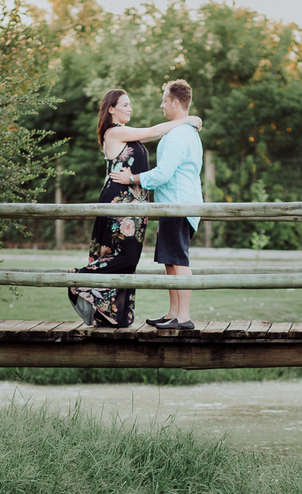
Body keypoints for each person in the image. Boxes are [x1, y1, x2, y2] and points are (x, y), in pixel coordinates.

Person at [69, 89, 201, 327]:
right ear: (111, 109)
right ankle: (80, 278)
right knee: (126, 257)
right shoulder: (115, 131)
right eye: (125, 105)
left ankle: (112, 315)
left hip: (134, 206)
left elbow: (151, 135)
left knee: (127, 257)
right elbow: (153, 132)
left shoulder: (126, 132)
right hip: (120, 202)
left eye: (130, 104)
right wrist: (187, 119)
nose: (130, 109)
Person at [110, 79, 203, 330]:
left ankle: (183, 318)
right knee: (170, 261)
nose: (161, 104)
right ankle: (173, 313)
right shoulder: (187, 132)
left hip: (178, 206)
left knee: (179, 262)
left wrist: (132, 178)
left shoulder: (177, 137)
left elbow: (162, 174)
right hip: (175, 206)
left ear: (175, 102)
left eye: (164, 100)